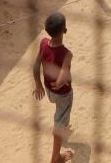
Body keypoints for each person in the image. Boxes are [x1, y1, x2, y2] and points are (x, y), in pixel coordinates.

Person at [33, 12, 74, 163]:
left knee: (62, 115)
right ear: (65, 31)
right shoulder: (67, 54)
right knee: (59, 122)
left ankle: (64, 124)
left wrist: (38, 85)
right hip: (63, 94)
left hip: (48, 90)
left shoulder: (43, 43)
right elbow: (63, 74)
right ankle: (55, 158)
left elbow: (36, 65)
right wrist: (59, 82)